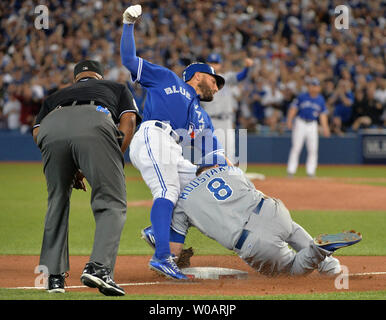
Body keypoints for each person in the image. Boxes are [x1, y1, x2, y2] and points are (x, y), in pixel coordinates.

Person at [120, 5, 227, 280]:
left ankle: (157, 232)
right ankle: (162, 257)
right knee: (167, 190)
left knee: (196, 183)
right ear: (200, 75)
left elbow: (211, 151)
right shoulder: (166, 77)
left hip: (170, 149)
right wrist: (129, 24)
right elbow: (130, 60)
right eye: (215, 81)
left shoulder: (198, 112)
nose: (216, 87)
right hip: (152, 134)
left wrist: (228, 172)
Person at [141, 156, 362, 277]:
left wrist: (162, 243)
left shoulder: (183, 203)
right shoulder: (230, 171)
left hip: (251, 241)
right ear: (213, 166)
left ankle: (320, 250)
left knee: (289, 273)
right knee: (291, 230)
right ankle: (330, 267)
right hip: (273, 211)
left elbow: (173, 250)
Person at [32, 60, 141, 296]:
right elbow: (129, 121)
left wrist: (70, 165)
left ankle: (54, 277)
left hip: (51, 128)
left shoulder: (57, 95)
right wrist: (112, 156)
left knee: (57, 201)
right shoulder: (116, 87)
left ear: (76, 79)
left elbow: (37, 131)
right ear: (99, 76)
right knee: (111, 201)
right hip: (94, 120)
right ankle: (99, 268)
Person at [201, 53, 254, 164]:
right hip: (211, 121)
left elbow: (241, 76)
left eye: (216, 63)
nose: (214, 66)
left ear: (220, 65)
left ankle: (230, 179)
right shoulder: (201, 82)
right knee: (213, 152)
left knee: (230, 152)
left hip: (227, 121)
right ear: (207, 64)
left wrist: (247, 67)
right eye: (211, 63)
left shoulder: (226, 78)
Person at [286, 78, 330, 178]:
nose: (314, 88)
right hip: (300, 122)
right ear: (309, 87)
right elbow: (293, 108)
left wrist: (325, 127)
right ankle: (291, 171)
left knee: (313, 149)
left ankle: (311, 172)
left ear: (319, 88)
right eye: (312, 85)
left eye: (316, 86)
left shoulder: (320, 99)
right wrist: (289, 120)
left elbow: (323, 115)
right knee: (296, 147)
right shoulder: (302, 96)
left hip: (312, 124)